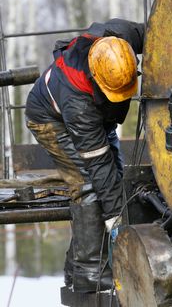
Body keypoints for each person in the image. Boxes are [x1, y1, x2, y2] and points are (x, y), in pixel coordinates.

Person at [25, 18, 144, 292]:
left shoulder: (122, 37)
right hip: (49, 119)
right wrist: (119, 224)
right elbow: (100, 168)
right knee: (89, 185)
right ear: (97, 79)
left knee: (114, 180)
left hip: (97, 116)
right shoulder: (78, 104)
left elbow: (162, 30)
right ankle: (89, 271)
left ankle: (75, 267)